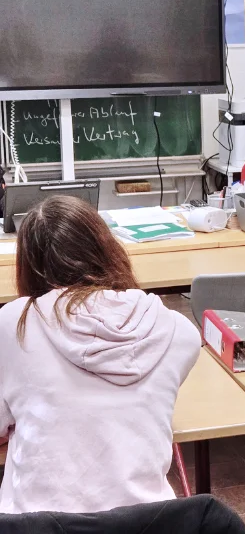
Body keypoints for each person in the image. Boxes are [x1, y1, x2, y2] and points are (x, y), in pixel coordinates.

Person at [0, 196, 201, 514]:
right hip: (146, 522)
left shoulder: (13, 323)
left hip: (40, 524)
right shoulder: (180, 332)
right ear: (107, 249)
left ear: (28, 265)